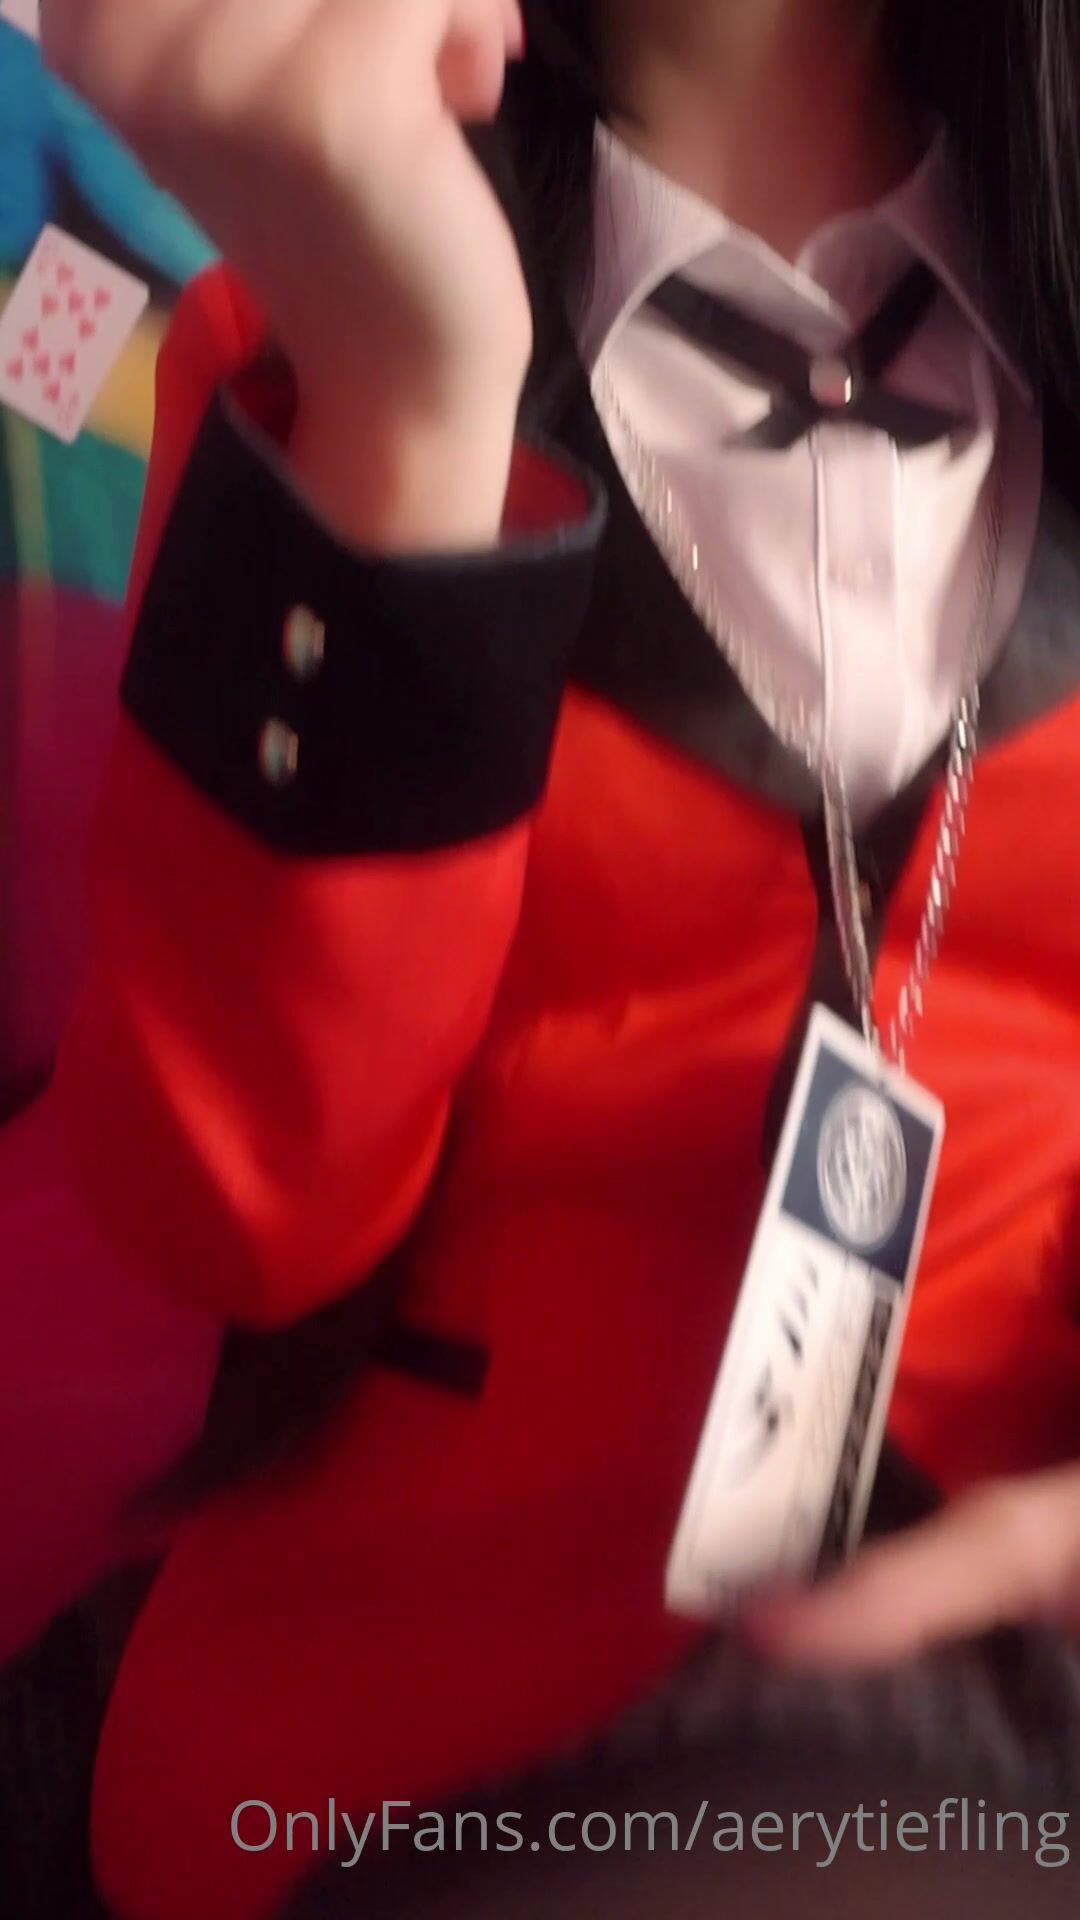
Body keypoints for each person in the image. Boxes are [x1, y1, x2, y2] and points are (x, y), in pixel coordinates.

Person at [2, 0, 1080, 1915]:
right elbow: (236, 1206)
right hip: (414, 1745)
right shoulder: (310, 321)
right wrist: (411, 392)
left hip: (1011, 1688)